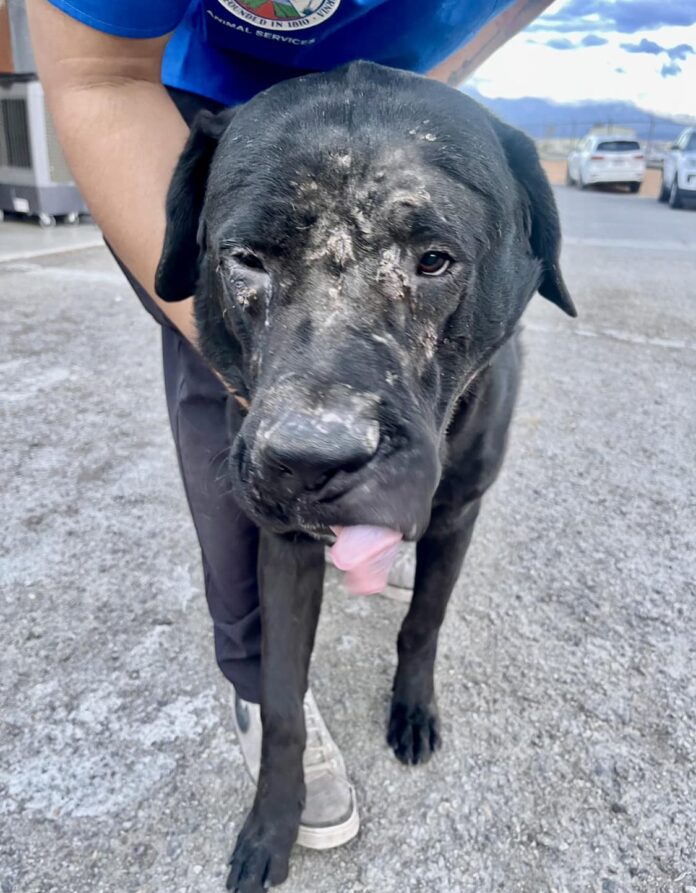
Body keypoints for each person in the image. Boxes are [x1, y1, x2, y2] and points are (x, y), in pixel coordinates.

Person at [27, 0, 516, 849]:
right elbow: (99, 76)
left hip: (412, 114)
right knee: (248, 447)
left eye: (433, 261)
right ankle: (269, 712)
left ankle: (414, 654)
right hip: (174, 104)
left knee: (445, 485)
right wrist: (247, 362)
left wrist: (426, 104)